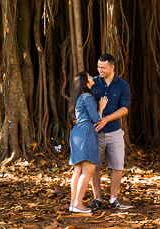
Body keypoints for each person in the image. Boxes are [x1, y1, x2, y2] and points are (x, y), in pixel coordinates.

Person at [89, 53, 132, 211]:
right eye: (99, 67)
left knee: (117, 165)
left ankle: (114, 198)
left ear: (112, 67)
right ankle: (97, 198)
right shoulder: (92, 83)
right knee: (94, 166)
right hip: (96, 132)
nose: (100, 70)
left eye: (103, 67)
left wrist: (107, 119)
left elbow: (124, 108)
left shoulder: (122, 85)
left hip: (114, 131)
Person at [68, 71, 107, 214]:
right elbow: (96, 119)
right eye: (90, 77)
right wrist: (101, 108)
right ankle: (78, 204)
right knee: (89, 170)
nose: (92, 78)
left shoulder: (78, 97)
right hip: (86, 132)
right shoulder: (88, 96)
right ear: (86, 82)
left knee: (78, 170)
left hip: (77, 133)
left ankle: (73, 203)